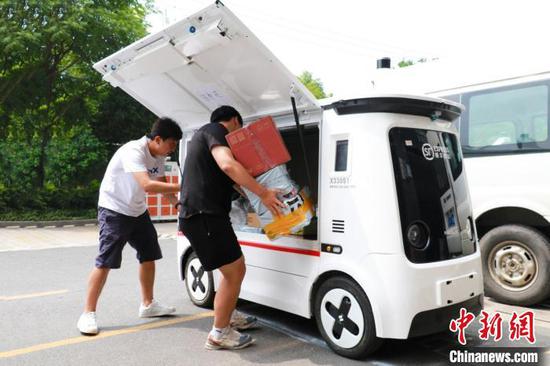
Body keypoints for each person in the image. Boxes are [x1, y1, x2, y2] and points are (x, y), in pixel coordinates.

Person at [179, 105, 284, 350]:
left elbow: (234, 182)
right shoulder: (215, 131)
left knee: (231, 269)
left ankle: (227, 316)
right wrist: (264, 193)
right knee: (235, 270)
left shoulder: (202, 138)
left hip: (203, 215)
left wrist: (264, 198)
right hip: (204, 215)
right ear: (235, 121)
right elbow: (228, 165)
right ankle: (219, 333)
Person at [77, 117, 183, 335]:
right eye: (171, 144)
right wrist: (186, 185)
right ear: (158, 139)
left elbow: (161, 182)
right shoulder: (133, 151)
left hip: (137, 210)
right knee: (106, 261)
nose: (172, 150)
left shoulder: (159, 155)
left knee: (149, 254)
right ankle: (88, 313)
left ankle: (148, 304)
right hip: (114, 210)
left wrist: (177, 204)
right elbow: (147, 184)